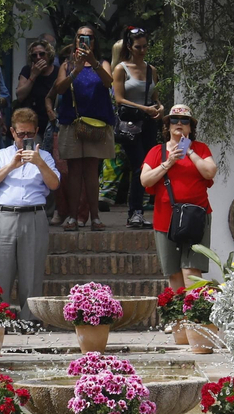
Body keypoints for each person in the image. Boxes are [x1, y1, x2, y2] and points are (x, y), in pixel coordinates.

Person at [0, 107, 60, 319]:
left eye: (29, 134)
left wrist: (39, 162)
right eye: (21, 134)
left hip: (34, 216)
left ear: (36, 132)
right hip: (4, 216)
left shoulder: (45, 157)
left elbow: (54, 184)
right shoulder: (0, 156)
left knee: (32, 274)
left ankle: (30, 321)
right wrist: (11, 166)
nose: (25, 138)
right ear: (12, 132)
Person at [140, 104, 217, 289]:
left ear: (191, 127)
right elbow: (145, 180)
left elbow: (210, 172)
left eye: (185, 121)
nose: (179, 123)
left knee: (191, 270)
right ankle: (178, 309)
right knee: (173, 272)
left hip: (196, 216)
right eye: (174, 120)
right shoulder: (157, 151)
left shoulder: (200, 148)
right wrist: (169, 162)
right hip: (166, 218)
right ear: (168, 126)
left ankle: (194, 307)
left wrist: (189, 151)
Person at [52, 24, 116, 231]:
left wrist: (93, 62)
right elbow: (59, 89)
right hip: (72, 122)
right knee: (74, 171)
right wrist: (76, 69)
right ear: (75, 40)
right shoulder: (67, 65)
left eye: (88, 37)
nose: (84, 41)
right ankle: (72, 217)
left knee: (91, 171)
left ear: (94, 42)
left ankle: (95, 218)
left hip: (95, 124)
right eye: (80, 37)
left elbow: (109, 82)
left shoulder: (103, 63)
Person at [112, 25, 164, 227]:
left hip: (149, 123)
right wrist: (144, 108)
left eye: (145, 46)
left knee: (150, 165)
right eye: (138, 47)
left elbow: (155, 97)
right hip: (130, 124)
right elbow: (119, 99)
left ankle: (141, 211)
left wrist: (159, 107)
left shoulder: (151, 70)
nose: (142, 51)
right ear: (129, 47)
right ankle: (134, 212)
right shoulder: (121, 69)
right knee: (139, 165)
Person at [14, 36, 59, 138]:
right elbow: (20, 96)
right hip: (32, 123)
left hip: (52, 122)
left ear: (49, 55)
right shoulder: (27, 70)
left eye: (42, 54)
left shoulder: (57, 72)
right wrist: (33, 75)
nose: (38, 57)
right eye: (34, 55)